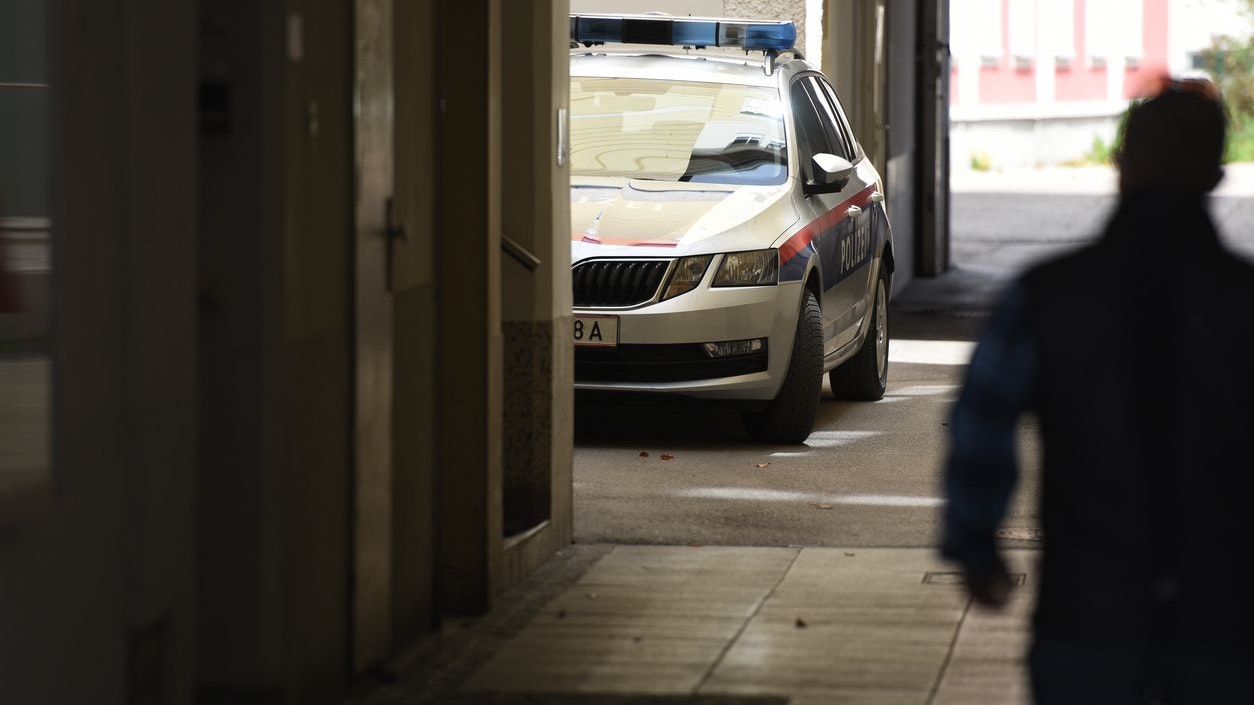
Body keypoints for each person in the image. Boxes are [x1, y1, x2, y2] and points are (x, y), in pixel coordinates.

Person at [941, 78, 1254, 704]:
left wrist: (976, 549)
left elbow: (981, 429)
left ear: (1122, 167)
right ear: (1215, 176)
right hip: (1226, 624)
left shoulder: (1044, 296)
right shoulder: (1245, 303)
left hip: (1085, 619)